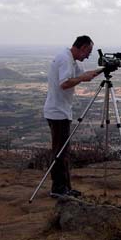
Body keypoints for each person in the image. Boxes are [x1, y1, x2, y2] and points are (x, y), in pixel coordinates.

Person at [43, 35, 101, 197]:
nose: (89, 55)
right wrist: (82, 78)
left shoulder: (71, 59)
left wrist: (102, 70)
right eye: (88, 51)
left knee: (64, 151)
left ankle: (65, 188)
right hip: (57, 112)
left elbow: (82, 76)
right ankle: (58, 189)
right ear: (82, 47)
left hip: (61, 111)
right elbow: (65, 83)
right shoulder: (64, 59)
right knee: (61, 152)